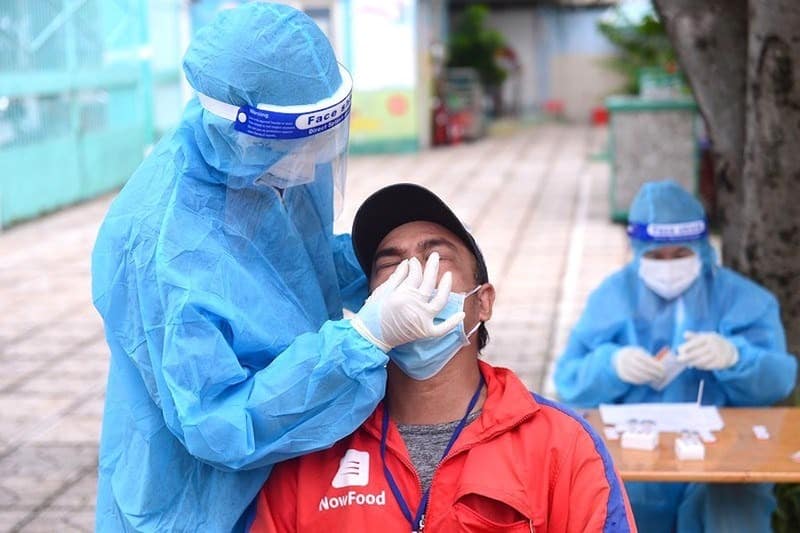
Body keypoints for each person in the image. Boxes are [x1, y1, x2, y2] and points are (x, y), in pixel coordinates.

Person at [91, 5, 462, 531]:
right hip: (202, 501)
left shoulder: (266, 162)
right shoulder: (163, 243)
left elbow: (294, 260)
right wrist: (363, 340)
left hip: (298, 471)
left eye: (325, 139)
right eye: (300, 144)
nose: (313, 163)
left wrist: (380, 265)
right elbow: (217, 425)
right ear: (244, 130)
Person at [250, 183, 637, 533]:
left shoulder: (562, 446)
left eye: (435, 256)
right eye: (390, 264)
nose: (413, 275)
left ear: (482, 302)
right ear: (371, 305)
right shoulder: (317, 443)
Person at [554, 180, 798, 532]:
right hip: (636, 462)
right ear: (637, 251)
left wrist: (736, 358)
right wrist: (609, 365)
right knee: (617, 509)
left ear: (701, 247)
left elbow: (779, 381)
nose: (668, 266)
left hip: (727, 458)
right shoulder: (612, 296)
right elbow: (567, 381)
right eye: (656, 256)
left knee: (732, 511)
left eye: (680, 254)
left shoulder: (745, 299)